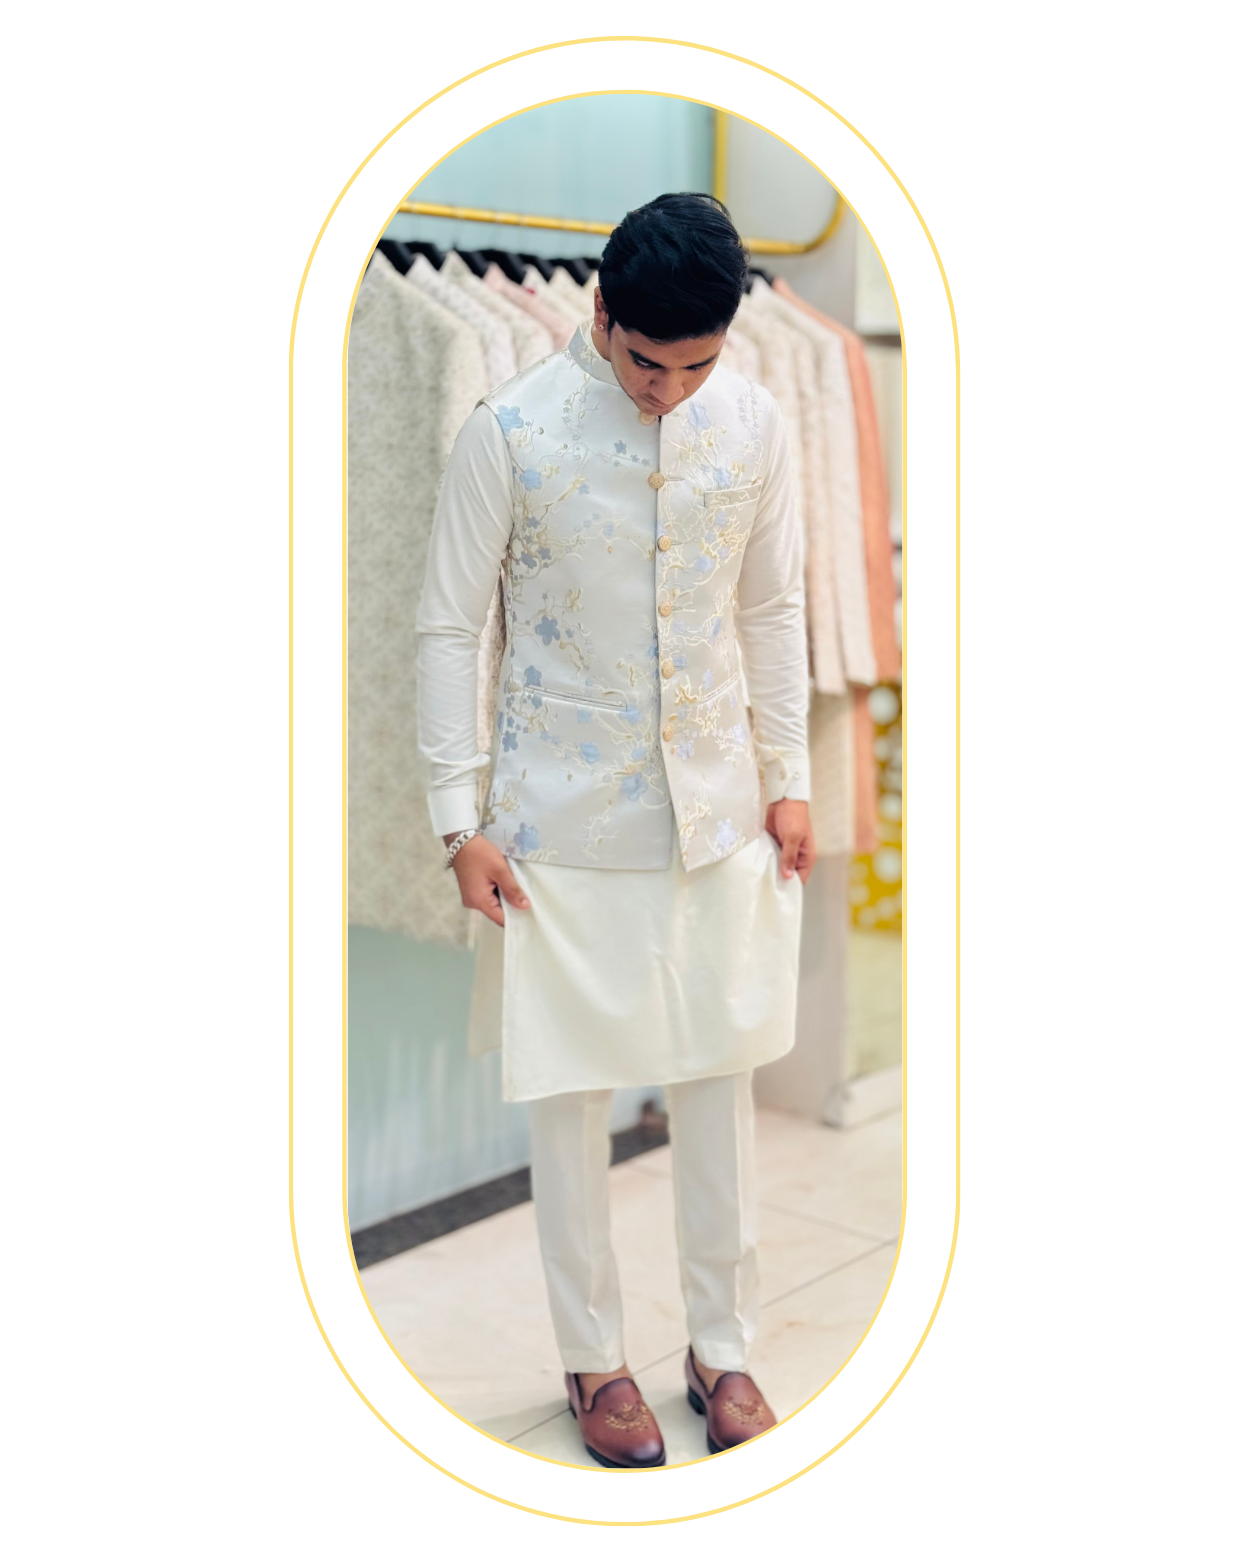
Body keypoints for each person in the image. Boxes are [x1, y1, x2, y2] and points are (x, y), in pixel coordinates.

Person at [416, 193, 815, 1468]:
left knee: (718, 1086)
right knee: (568, 1102)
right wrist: (456, 822)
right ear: (599, 311)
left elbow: (771, 608)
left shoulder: (752, 423)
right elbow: (448, 628)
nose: (667, 389)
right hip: (557, 827)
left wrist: (790, 775)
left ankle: (722, 1347)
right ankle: (594, 1360)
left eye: (695, 364)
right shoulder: (509, 429)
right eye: (647, 362)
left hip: (717, 813)